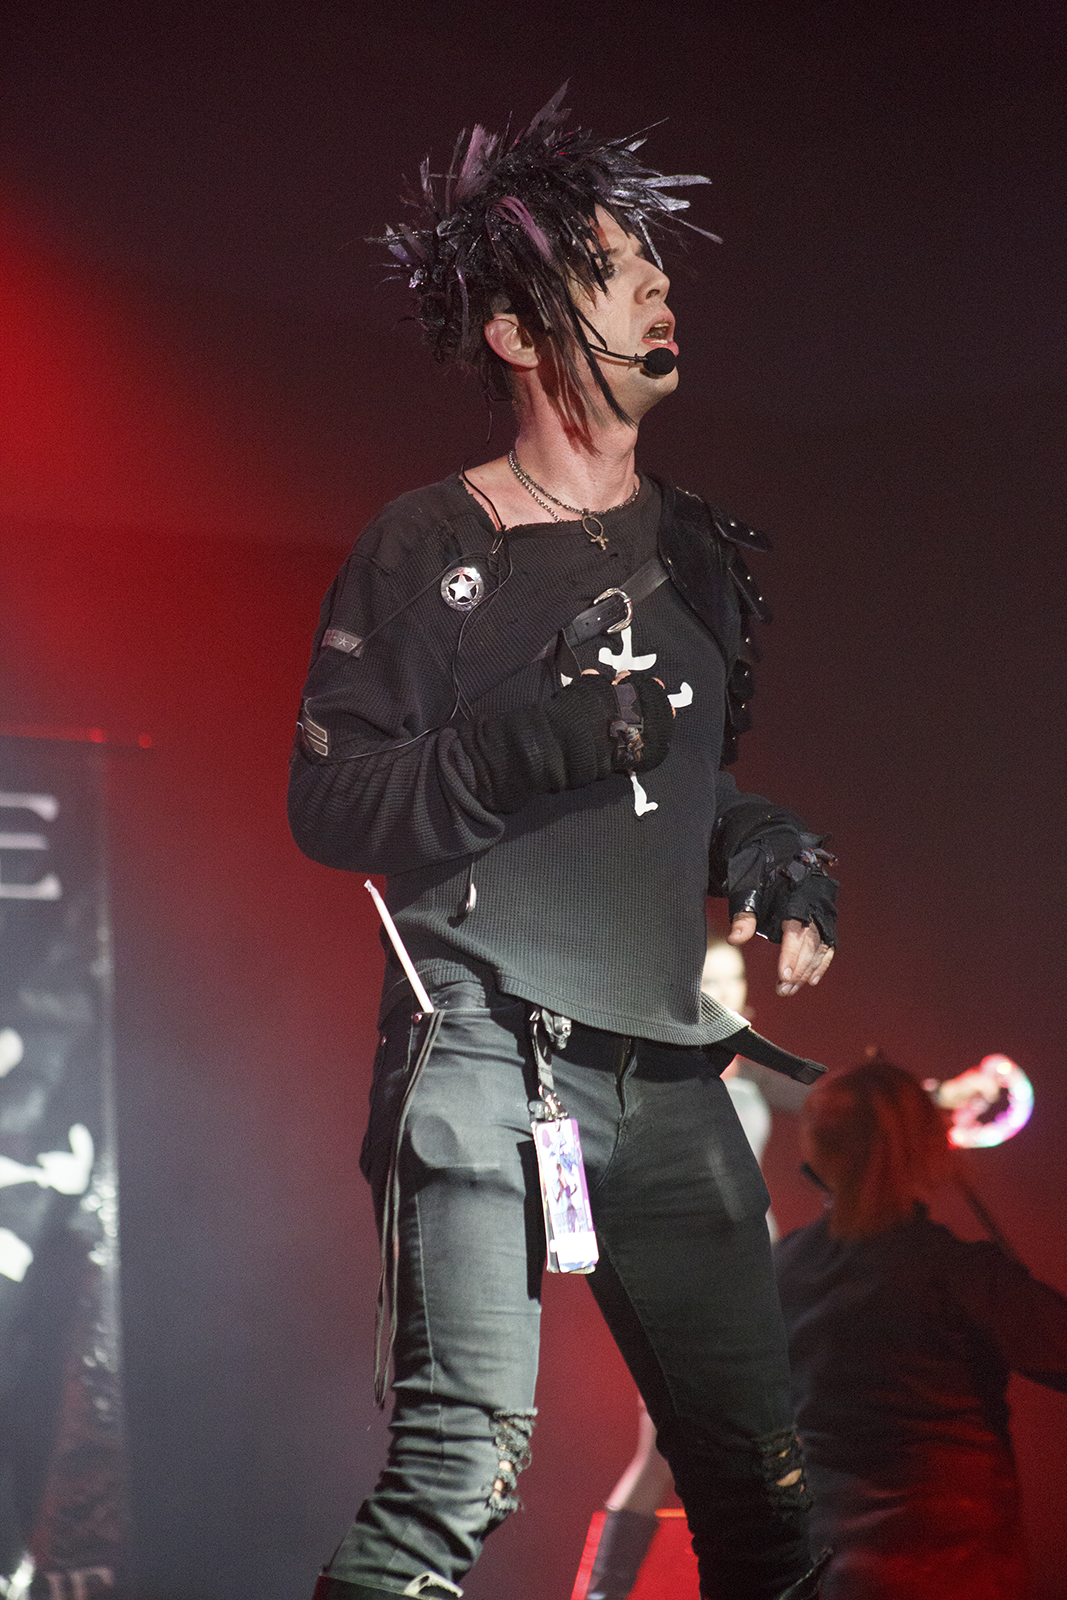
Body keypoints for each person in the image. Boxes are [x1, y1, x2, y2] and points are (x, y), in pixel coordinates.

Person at [287, 88, 837, 1600]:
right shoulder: (427, 544)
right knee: (457, 1473)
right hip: (482, 1047)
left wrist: (769, 848)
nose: (659, 288)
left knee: (767, 1501)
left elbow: (674, 796)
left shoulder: (695, 551)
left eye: (658, 268)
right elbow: (330, 804)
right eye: (614, 270)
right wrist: (522, 741)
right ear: (518, 332)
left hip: (669, 1074)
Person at [774, 1058, 1067, 1599]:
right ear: (926, 1148)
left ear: (817, 1151)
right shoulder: (961, 1273)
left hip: (823, 1569)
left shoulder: (786, 1266)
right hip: (956, 1571)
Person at [578, 938, 793, 1600]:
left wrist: (930, 1096)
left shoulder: (752, 1073)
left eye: (734, 980)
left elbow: (841, 1099)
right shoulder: (653, 1072)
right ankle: (602, 1593)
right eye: (710, 980)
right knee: (664, 1455)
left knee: (768, 1450)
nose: (724, 994)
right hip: (684, 1280)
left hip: (759, 1278)